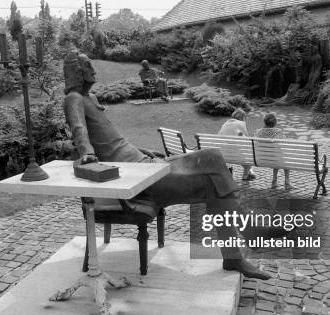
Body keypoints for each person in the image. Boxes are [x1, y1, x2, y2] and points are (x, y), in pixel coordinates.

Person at [63, 50, 271, 280]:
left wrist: (141, 150)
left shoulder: (91, 99)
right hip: (139, 179)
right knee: (214, 172)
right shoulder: (74, 99)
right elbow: (79, 131)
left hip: (145, 163)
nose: (93, 69)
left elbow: (113, 141)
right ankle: (241, 241)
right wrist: (88, 155)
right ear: (77, 71)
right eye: (87, 65)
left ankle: (239, 247)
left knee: (214, 161)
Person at [256, 113, 293, 190]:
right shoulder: (278, 131)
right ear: (275, 122)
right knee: (282, 156)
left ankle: (274, 181)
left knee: (276, 155)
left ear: (264, 122)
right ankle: (287, 182)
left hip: (261, 159)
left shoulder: (258, 132)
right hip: (274, 158)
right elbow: (284, 144)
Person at [218, 108, 256, 181]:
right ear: (243, 118)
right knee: (249, 160)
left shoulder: (226, 124)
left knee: (237, 152)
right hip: (236, 154)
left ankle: (249, 173)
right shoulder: (241, 123)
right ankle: (245, 176)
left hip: (223, 153)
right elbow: (247, 138)